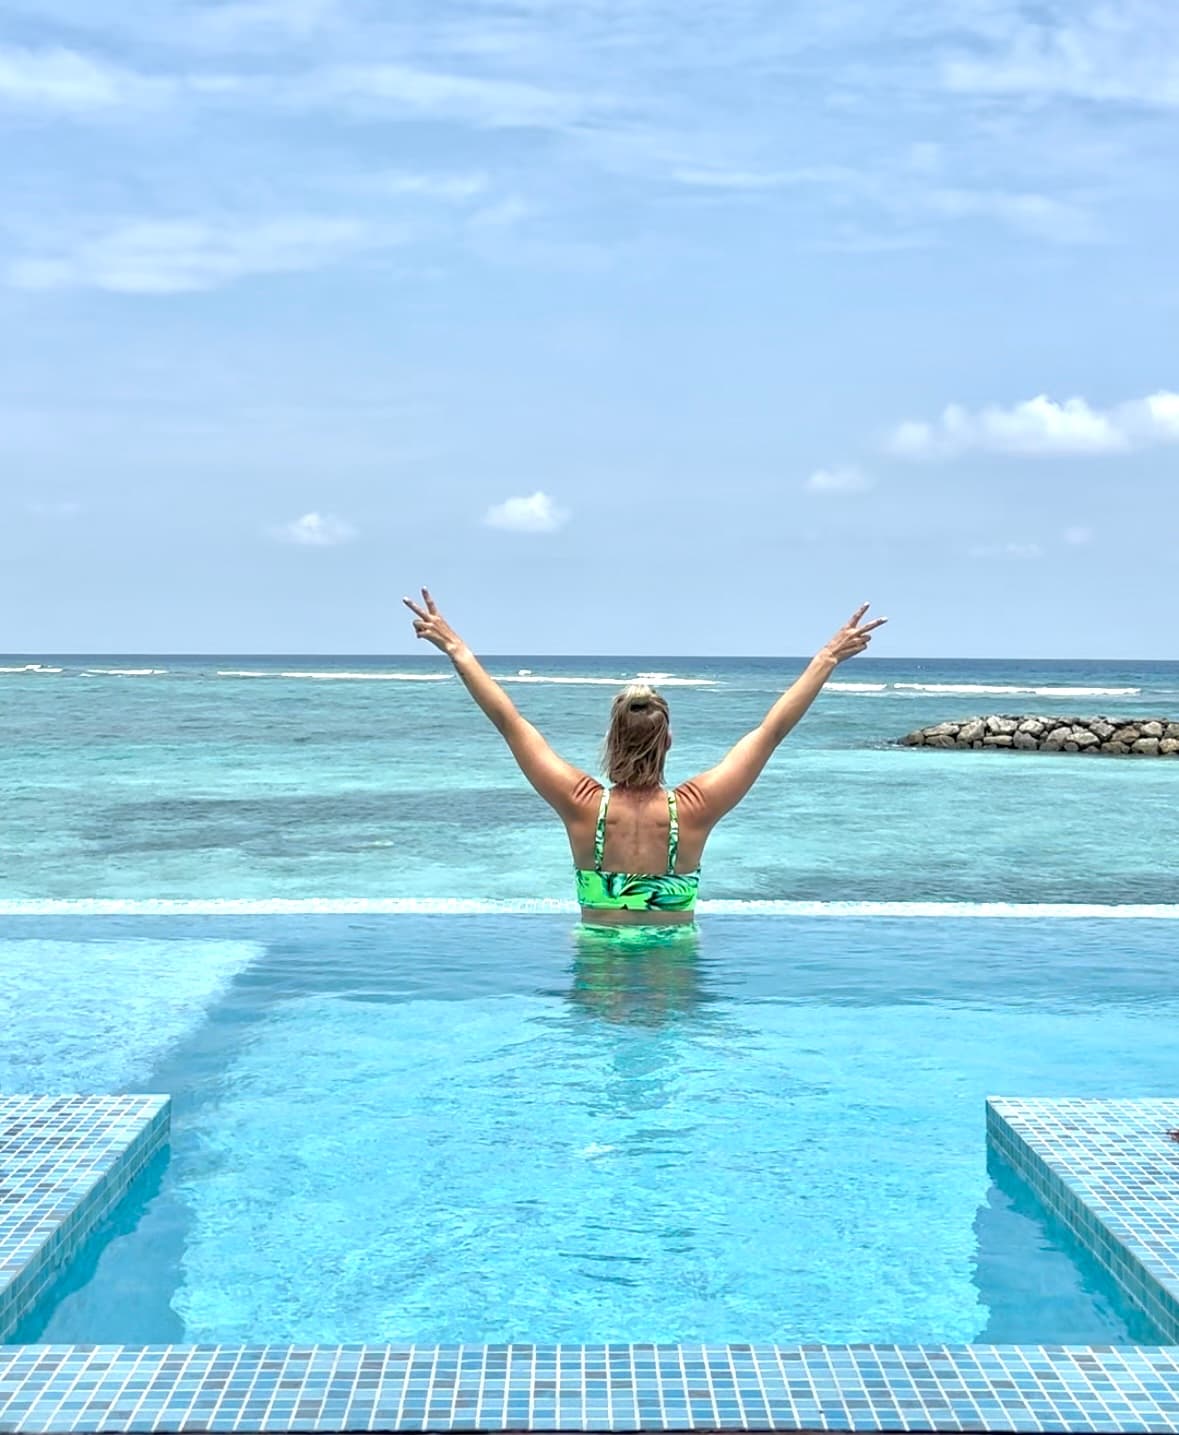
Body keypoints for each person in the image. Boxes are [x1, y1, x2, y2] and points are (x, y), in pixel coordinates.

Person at [403, 590, 886, 927]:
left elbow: (510, 723)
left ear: (612, 739)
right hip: (671, 973)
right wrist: (826, 658)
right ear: (668, 741)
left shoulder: (582, 805)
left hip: (599, 967)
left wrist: (457, 649)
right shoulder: (696, 808)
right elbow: (771, 731)